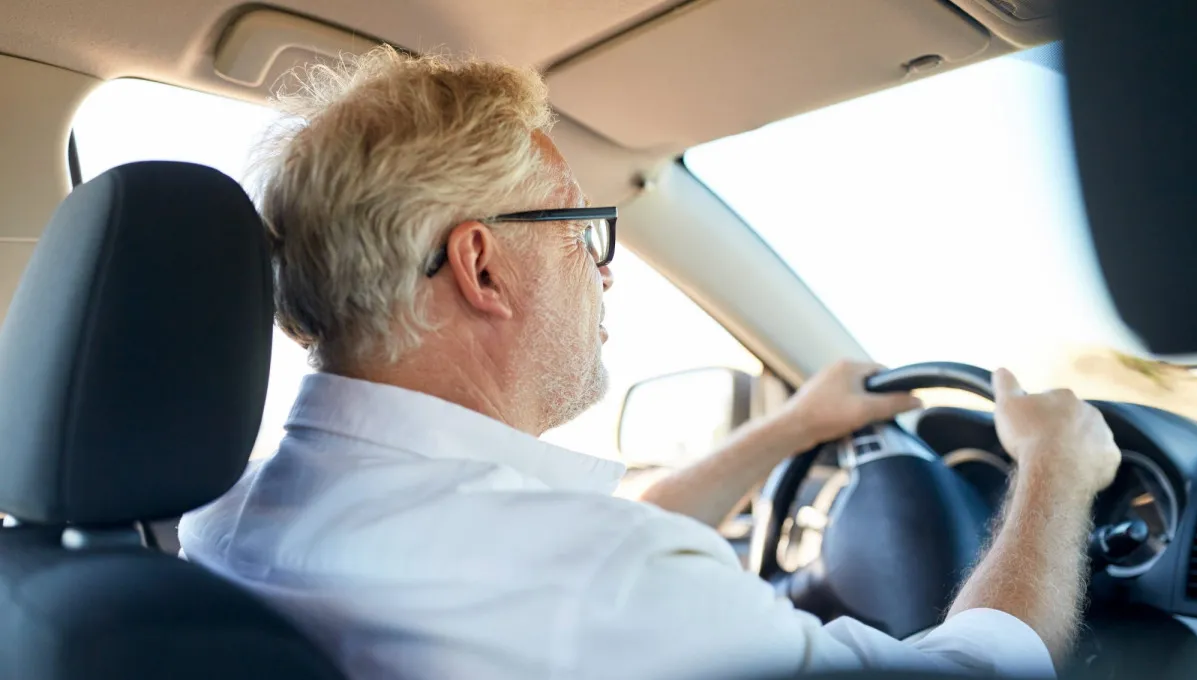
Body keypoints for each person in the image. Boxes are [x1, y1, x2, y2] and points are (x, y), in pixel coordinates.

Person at [180, 46, 1121, 680]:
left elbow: (583, 550)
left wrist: (795, 426)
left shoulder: (232, 517)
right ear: (481, 266)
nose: (603, 272)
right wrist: (1055, 470)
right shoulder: (593, 580)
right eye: (581, 228)